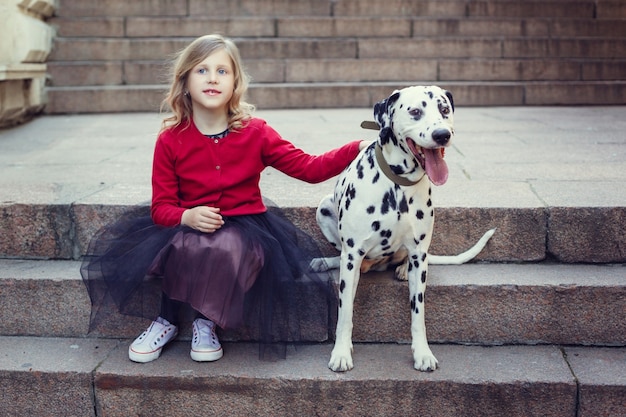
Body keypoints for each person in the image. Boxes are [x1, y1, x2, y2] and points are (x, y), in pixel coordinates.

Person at [80, 34, 368, 363]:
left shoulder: (256, 132)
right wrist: (186, 216)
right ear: (185, 82)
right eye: (202, 70)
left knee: (226, 246)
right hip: (186, 223)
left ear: (235, 84)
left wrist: (355, 148)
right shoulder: (171, 140)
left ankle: (206, 321)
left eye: (222, 71)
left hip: (245, 228)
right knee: (186, 243)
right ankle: (167, 320)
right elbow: (161, 207)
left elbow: (309, 167)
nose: (213, 78)